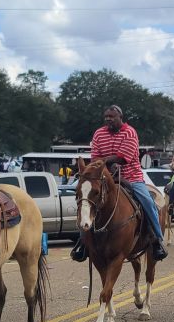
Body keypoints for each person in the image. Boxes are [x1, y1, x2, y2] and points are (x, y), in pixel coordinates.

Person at [70, 105, 168, 262]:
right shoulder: (99, 134)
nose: (108, 119)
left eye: (112, 117)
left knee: (148, 202)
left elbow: (123, 158)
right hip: (104, 177)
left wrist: (105, 161)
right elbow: (95, 156)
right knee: (86, 201)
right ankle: (82, 243)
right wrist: (103, 164)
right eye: (106, 117)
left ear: (120, 117)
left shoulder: (129, 132)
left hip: (131, 176)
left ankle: (156, 240)